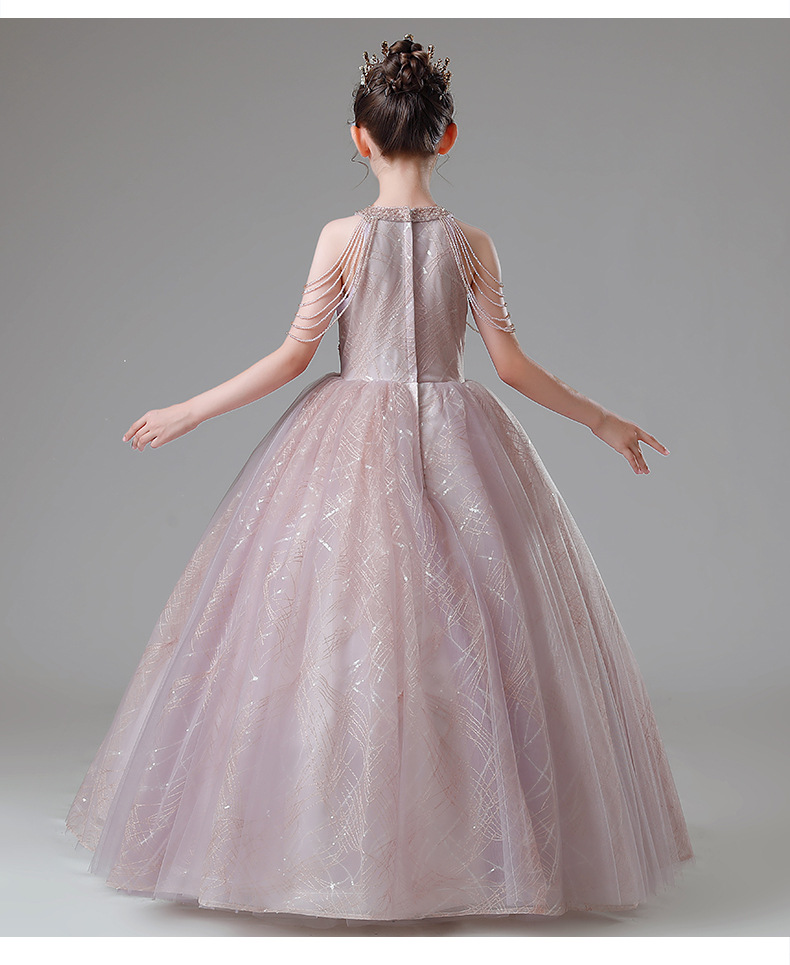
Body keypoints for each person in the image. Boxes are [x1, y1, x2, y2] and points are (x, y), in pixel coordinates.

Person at [65, 34, 695, 928]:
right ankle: (463, 838)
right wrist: (601, 419)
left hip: (347, 441)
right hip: (461, 438)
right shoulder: (471, 244)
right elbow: (510, 366)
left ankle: (338, 838)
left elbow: (294, 356)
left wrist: (191, 409)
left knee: (339, 634)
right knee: (471, 642)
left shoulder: (342, 238)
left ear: (359, 138)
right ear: (447, 137)